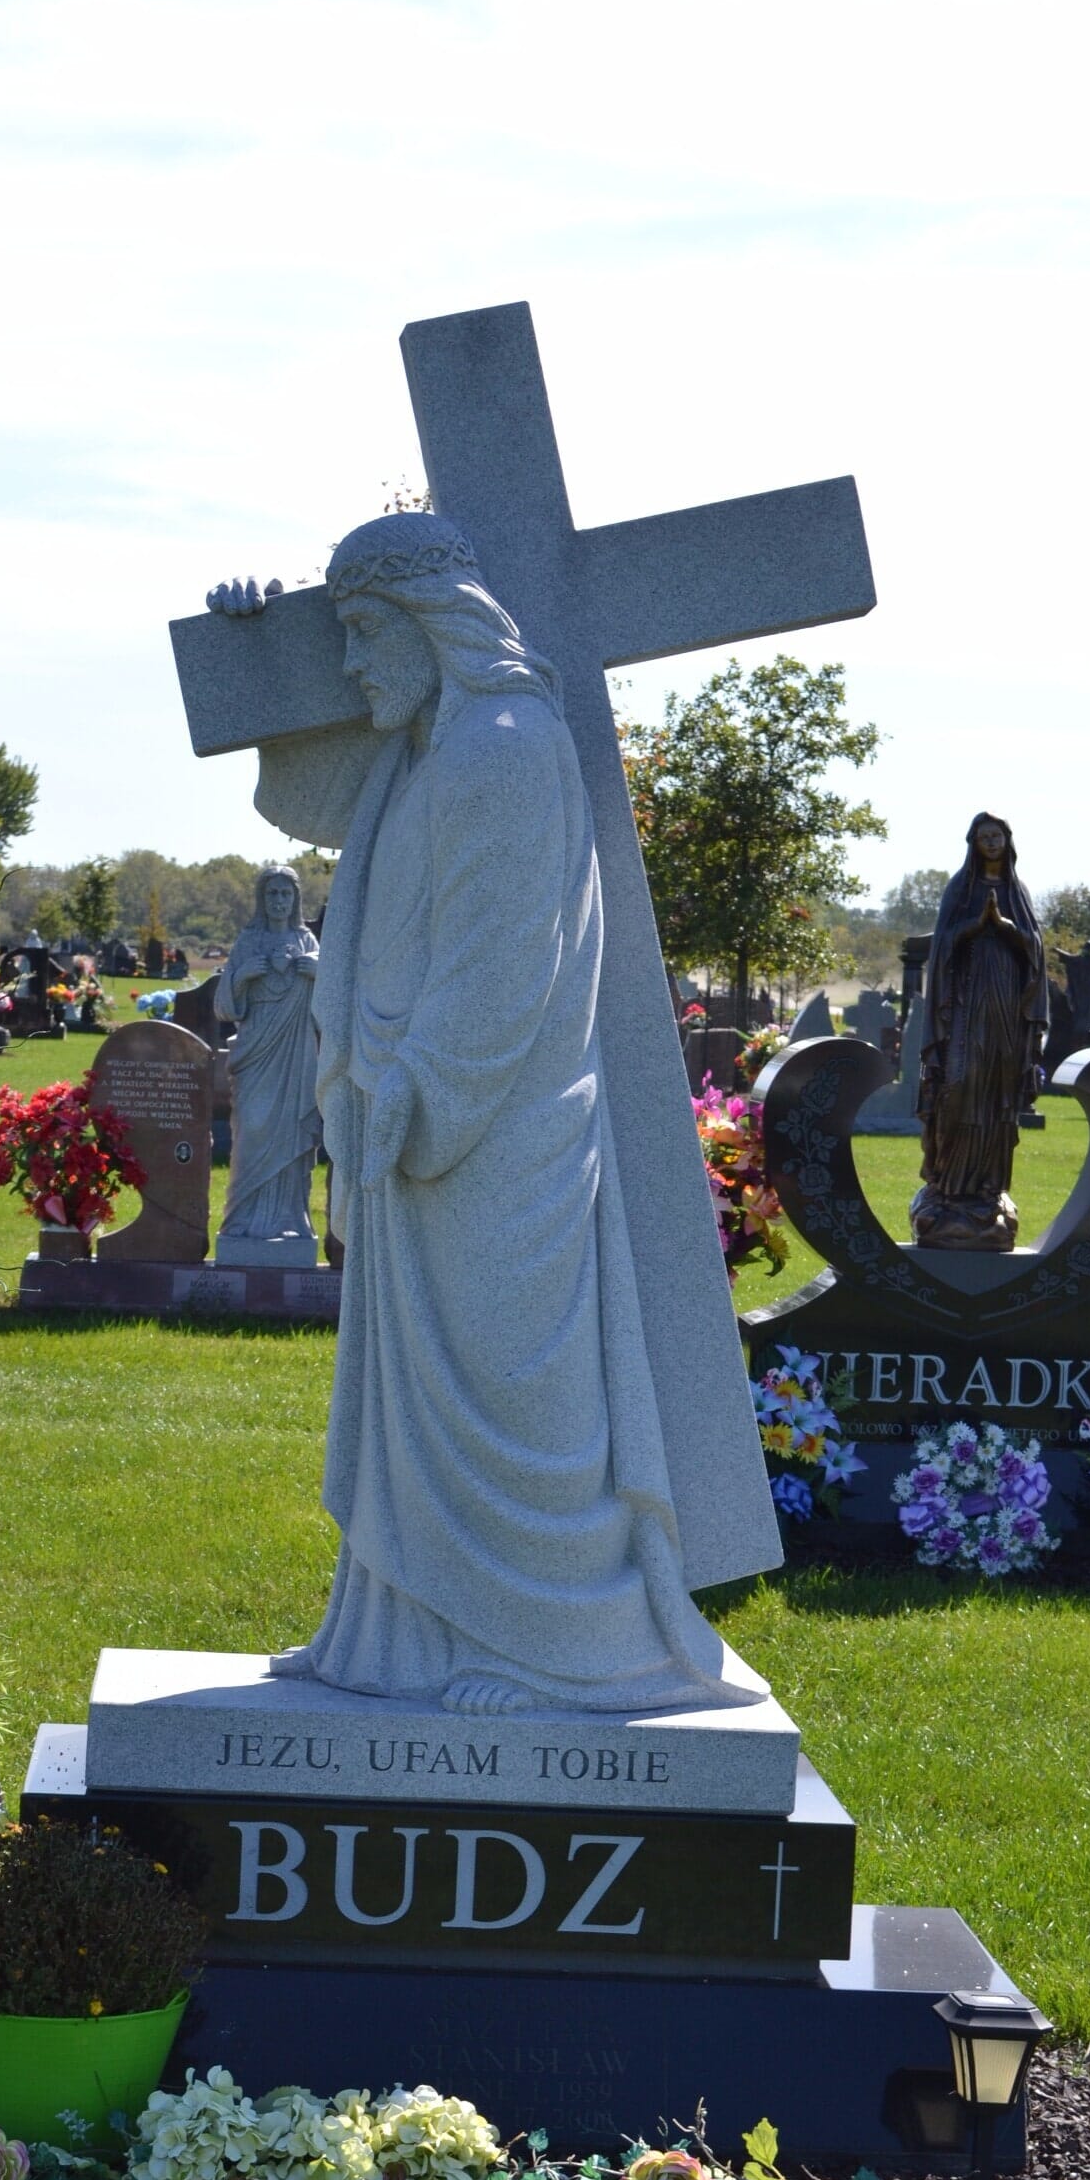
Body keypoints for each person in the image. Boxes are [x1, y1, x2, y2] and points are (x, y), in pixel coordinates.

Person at [209, 513, 768, 1719]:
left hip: (492, 1143)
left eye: (362, 635)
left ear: (432, 624)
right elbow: (309, 796)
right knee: (425, 1402)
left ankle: (561, 1650)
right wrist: (263, 660)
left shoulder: (507, 745)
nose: (354, 666)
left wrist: (409, 1094)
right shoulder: (426, 746)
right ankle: (406, 1641)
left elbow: (500, 967)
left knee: (519, 1402)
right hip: (415, 1136)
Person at [912, 813, 1048, 1250]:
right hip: (966, 1007)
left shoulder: (1016, 891)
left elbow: (1035, 949)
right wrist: (975, 925)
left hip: (1006, 1005)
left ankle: (989, 1187)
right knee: (960, 1085)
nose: (992, 842)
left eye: (998, 835)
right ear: (973, 843)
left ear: (1008, 841)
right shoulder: (962, 888)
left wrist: (1007, 928)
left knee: (995, 1093)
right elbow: (943, 943)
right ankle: (947, 1184)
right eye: (984, 836)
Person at [213, 865, 321, 1262]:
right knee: (252, 1130)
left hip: (295, 1054)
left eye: (286, 894)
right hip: (257, 1053)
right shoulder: (249, 941)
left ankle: (290, 1220)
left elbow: (330, 1005)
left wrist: (318, 972)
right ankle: (241, 1219)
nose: (279, 901)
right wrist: (242, 977)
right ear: (262, 899)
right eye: (272, 893)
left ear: (295, 900)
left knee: (291, 1134)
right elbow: (224, 1007)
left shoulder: (306, 939)